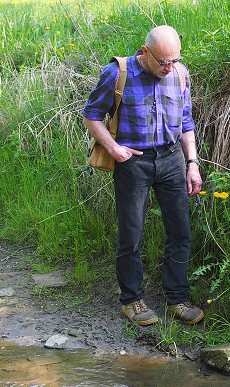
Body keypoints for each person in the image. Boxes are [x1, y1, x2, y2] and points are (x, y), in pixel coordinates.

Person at [83, 25, 204, 326]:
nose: (169, 67)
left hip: (172, 159)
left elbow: (186, 121)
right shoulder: (117, 72)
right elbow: (92, 114)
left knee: (180, 231)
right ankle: (132, 301)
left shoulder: (179, 74)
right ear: (145, 52)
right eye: (163, 61)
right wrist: (113, 148)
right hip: (133, 162)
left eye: (174, 60)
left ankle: (177, 298)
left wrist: (192, 163)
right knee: (131, 233)